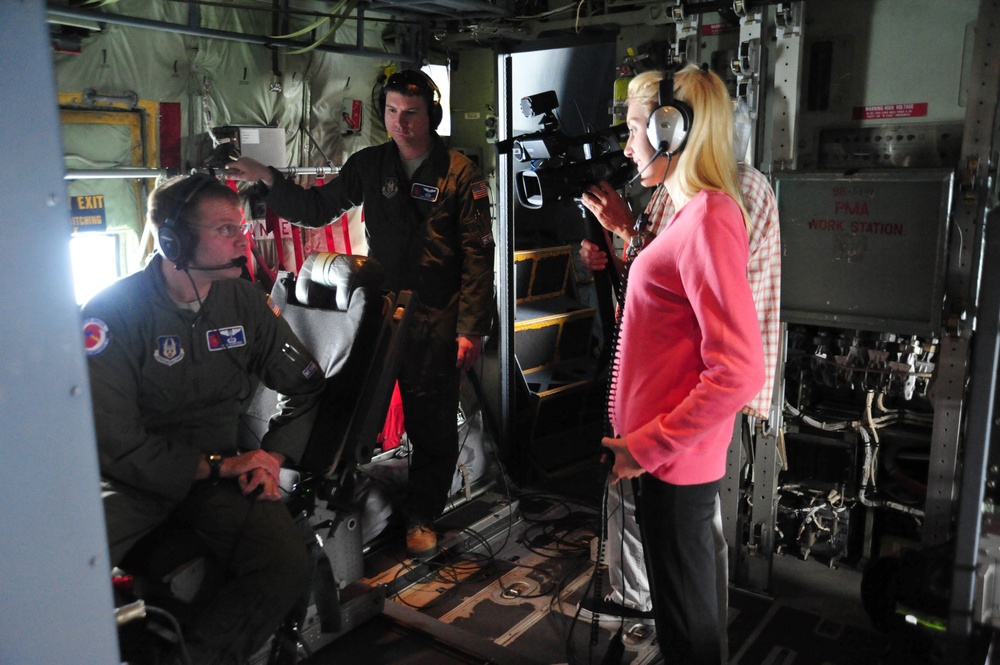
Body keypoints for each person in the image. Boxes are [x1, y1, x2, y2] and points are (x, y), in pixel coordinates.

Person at [225, 69, 496, 557]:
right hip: (376, 312)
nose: (400, 123)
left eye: (411, 113)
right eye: (392, 112)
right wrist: (269, 178)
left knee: (431, 425)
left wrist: (471, 329)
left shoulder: (459, 174)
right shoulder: (369, 165)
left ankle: (420, 518)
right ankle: (333, 505)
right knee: (348, 410)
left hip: (435, 318)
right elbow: (317, 207)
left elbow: (478, 257)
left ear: (430, 114)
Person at [83, 174, 326, 664]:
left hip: (221, 472)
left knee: (283, 565)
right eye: (224, 229)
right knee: (54, 568)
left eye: (241, 227)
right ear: (175, 242)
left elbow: (305, 384)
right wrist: (220, 466)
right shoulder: (111, 316)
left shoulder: (243, 303)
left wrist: (273, 455)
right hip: (132, 480)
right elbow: (120, 447)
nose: (243, 239)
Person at [577, 96, 781, 654]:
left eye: (639, 129)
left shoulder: (722, 204)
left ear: (678, 133)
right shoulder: (686, 201)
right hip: (663, 430)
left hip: (682, 426)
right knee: (680, 584)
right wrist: (620, 249)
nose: (629, 145)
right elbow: (665, 283)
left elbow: (713, 319)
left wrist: (647, 446)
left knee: (690, 580)